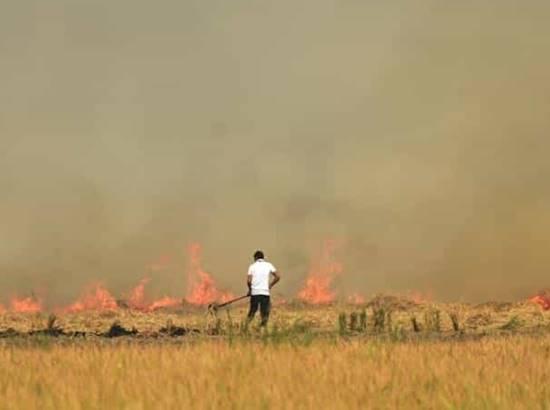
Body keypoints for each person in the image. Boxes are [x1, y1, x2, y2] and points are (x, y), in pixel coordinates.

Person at [246, 250, 280, 327]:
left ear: (255, 258)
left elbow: (248, 281)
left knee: (252, 311)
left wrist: (250, 290)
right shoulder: (269, 265)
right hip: (265, 293)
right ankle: (262, 328)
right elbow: (278, 277)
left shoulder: (252, 266)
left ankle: (245, 327)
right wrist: (270, 285)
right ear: (263, 258)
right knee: (265, 312)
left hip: (255, 293)